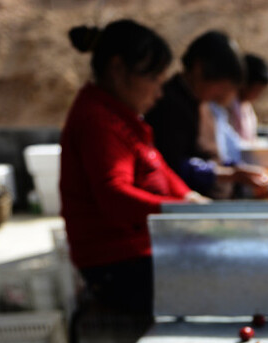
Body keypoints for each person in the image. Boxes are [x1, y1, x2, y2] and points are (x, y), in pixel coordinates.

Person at [59, 20, 204, 317]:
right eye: (155, 80)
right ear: (118, 70)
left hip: (141, 254)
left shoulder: (121, 118)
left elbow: (158, 168)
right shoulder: (98, 121)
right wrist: (180, 212)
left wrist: (192, 200)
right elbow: (114, 195)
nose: (159, 93)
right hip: (120, 264)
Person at [146, 31, 268, 199]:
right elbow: (172, 164)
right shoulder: (170, 103)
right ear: (199, 68)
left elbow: (206, 154)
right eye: (221, 87)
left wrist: (234, 168)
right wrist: (228, 174)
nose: (224, 94)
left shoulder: (201, 103)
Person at [228, 54, 268, 146]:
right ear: (244, 84)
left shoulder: (247, 108)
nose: (258, 95)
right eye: (256, 90)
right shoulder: (228, 106)